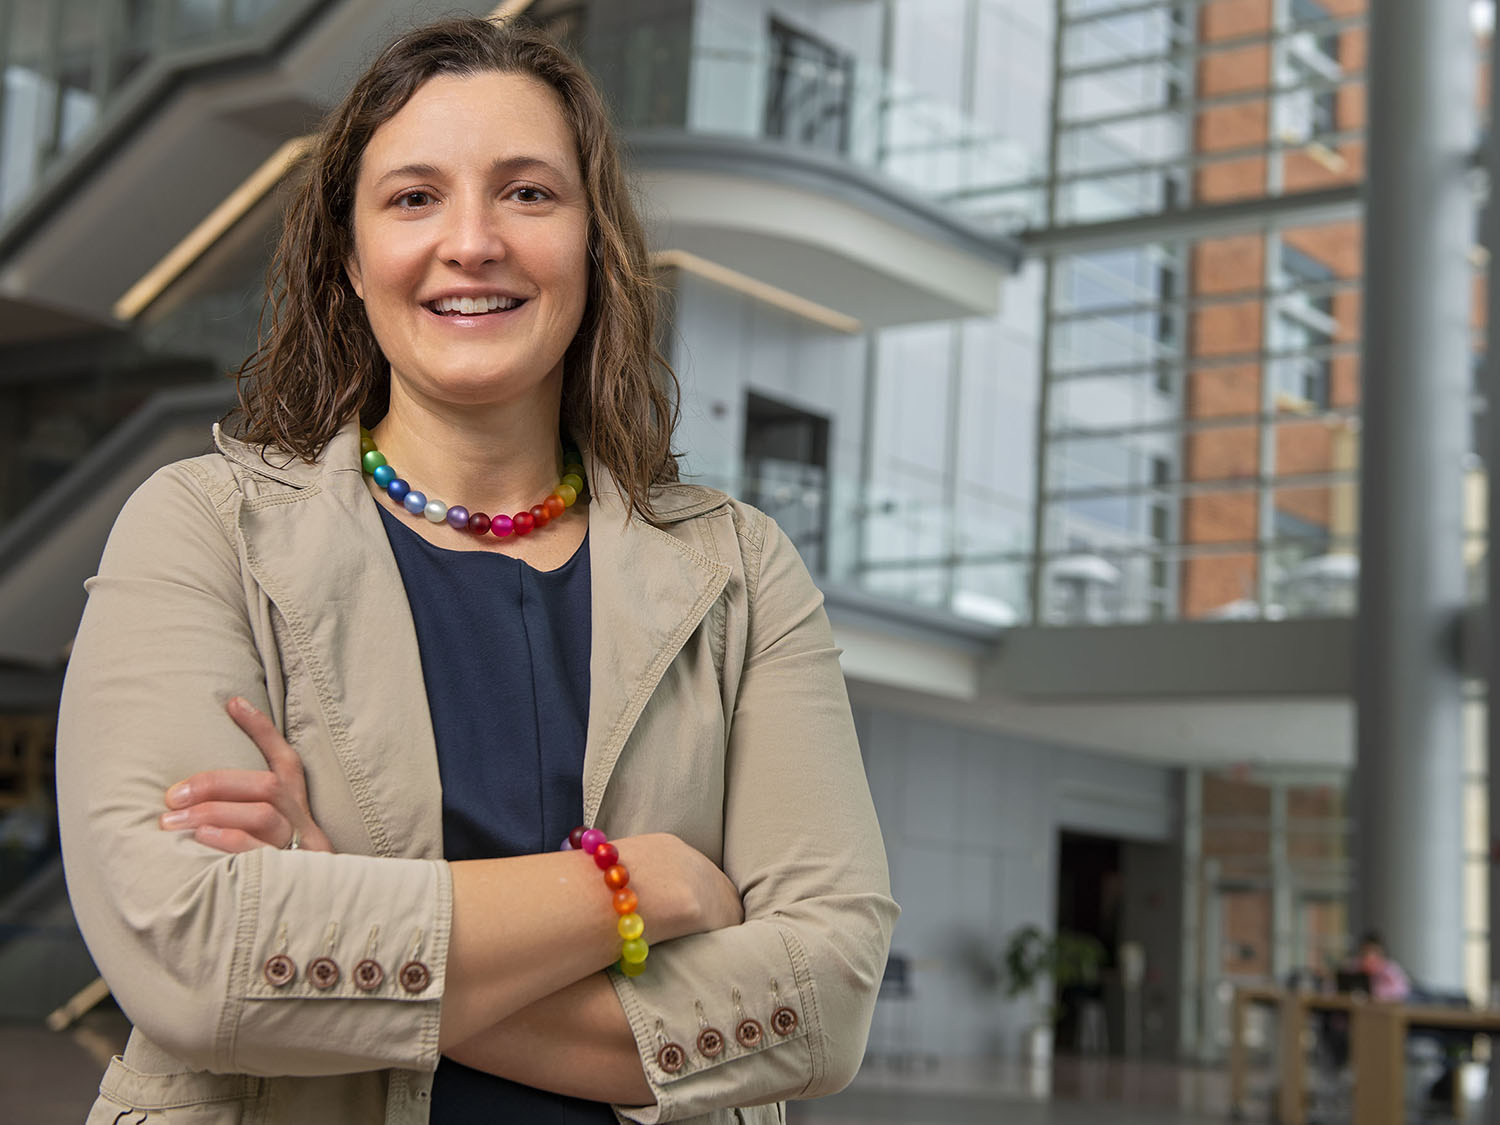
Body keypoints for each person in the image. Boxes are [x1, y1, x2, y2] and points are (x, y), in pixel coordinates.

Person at [55, 17, 897, 1124]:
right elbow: (191, 961)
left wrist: (328, 918)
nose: (472, 242)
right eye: (413, 198)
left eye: (528, 193)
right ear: (350, 263)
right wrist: (638, 887)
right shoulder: (201, 529)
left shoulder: (740, 572)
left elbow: (823, 1001)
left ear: (595, 244)